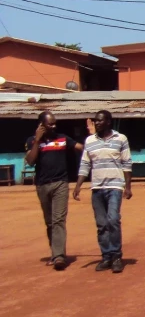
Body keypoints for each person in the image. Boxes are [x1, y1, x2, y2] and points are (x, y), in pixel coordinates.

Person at [24, 111, 89, 270]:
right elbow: (31, 161)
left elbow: (81, 147)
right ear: (41, 125)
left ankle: (59, 256)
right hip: (42, 185)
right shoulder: (32, 141)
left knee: (58, 219)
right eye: (50, 124)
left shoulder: (63, 138)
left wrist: (92, 137)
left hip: (60, 183)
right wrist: (37, 140)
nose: (54, 126)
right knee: (49, 222)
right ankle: (55, 253)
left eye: (55, 123)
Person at [74, 110, 132, 274]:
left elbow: (127, 163)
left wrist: (128, 187)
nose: (97, 123)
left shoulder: (120, 139)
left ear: (108, 122)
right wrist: (78, 185)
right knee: (101, 224)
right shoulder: (90, 141)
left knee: (113, 220)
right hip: (97, 187)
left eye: (100, 120)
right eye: (96, 121)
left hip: (115, 186)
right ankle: (106, 256)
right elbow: (85, 164)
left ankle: (116, 257)